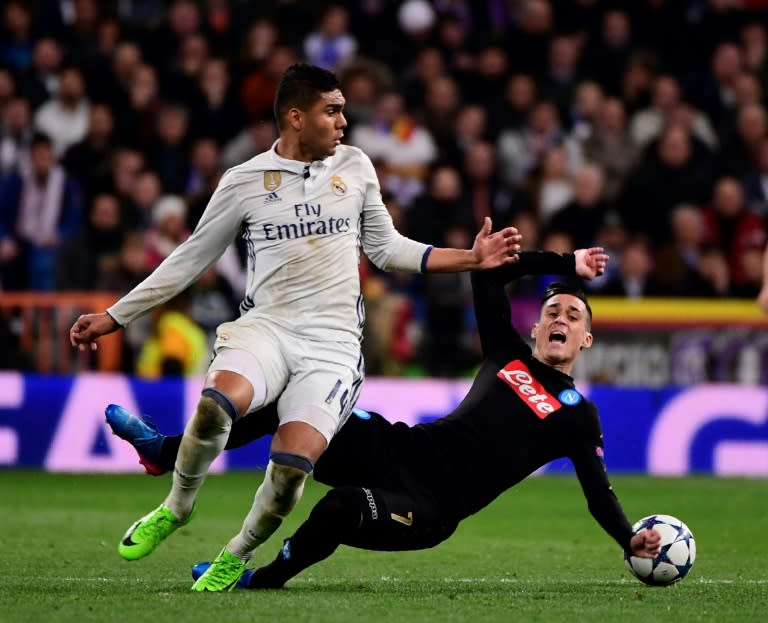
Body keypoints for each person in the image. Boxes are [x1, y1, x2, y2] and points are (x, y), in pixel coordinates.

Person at [68, 63, 520, 592]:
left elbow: (386, 247)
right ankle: (176, 506)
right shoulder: (243, 182)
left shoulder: (355, 167)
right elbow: (189, 259)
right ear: (296, 117)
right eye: (333, 111)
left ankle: (236, 554)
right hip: (267, 328)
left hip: (332, 348)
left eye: (344, 110)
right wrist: (115, 316)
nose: (344, 121)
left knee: (290, 470)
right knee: (218, 403)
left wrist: (469, 258)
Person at [105, 247, 662, 589]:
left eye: (573, 315)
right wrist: (564, 265)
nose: (560, 318)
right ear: (536, 328)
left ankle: (261, 577)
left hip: (431, 507)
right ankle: (165, 452)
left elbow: (598, 491)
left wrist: (624, 538)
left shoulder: (577, 415)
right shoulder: (506, 355)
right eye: (551, 311)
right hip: (399, 449)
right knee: (294, 403)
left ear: (585, 339)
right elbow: (488, 276)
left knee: (342, 506)